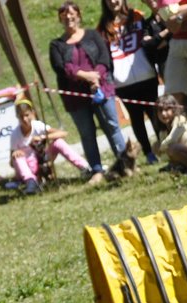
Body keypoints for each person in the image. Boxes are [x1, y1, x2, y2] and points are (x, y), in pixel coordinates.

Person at [52, 2, 134, 184]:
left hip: (101, 89)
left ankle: (126, 164)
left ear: (79, 16)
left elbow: (105, 58)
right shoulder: (56, 45)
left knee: (112, 127)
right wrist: (86, 76)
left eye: (72, 14)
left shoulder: (93, 35)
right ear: (60, 19)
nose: (68, 18)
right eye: (64, 15)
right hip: (75, 98)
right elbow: (62, 68)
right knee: (87, 133)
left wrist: (96, 78)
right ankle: (96, 170)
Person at [99, 0, 164, 164]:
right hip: (122, 81)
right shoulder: (102, 27)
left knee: (155, 113)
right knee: (136, 118)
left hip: (146, 72)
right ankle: (149, 153)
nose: (114, 2)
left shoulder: (137, 16)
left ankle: (163, 146)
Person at [8, 97, 94, 193]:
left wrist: (43, 137)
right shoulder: (15, 135)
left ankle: (85, 168)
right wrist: (17, 153)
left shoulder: (37, 125)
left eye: (27, 115)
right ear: (17, 117)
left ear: (33, 113)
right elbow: (11, 163)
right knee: (18, 156)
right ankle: (31, 182)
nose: (25, 119)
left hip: (42, 159)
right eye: (21, 117)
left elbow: (63, 133)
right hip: (28, 166)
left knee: (58, 142)